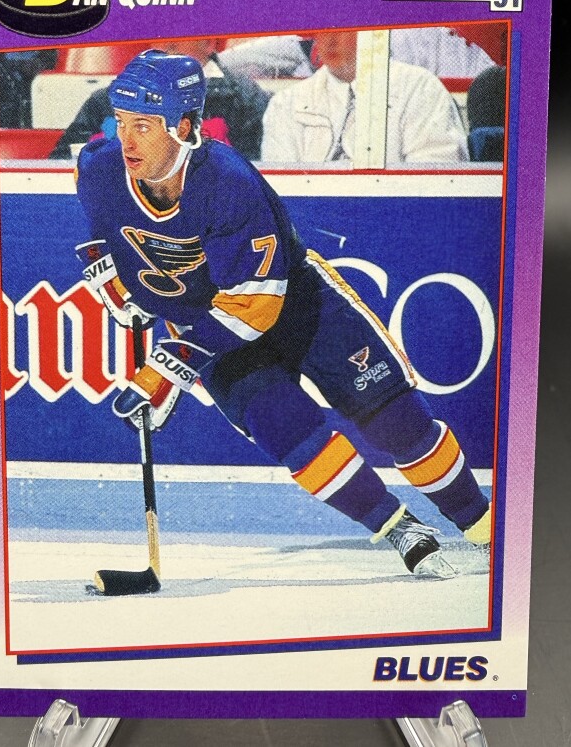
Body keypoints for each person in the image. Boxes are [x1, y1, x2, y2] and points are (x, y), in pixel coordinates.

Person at [75, 50, 492, 582]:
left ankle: (482, 524)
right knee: (288, 431)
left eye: (143, 126)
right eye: (121, 121)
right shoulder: (100, 167)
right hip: (208, 330)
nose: (126, 141)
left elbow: (254, 305)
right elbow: (102, 233)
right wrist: (117, 284)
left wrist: (165, 368)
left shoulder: (227, 180)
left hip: (296, 305)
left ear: (183, 125)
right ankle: (398, 527)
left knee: (396, 420)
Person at [261, 31, 469, 166]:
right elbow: (279, 193)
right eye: (323, 30)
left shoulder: (420, 88)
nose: (330, 40)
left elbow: (434, 184)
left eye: (342, 29)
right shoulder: (285, 103)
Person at [51, 38, 270, 161]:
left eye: (174, 41)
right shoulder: (106, 100)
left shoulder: (244, 100)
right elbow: (61, 163)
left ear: (209, 42)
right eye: (158, 35)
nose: (163, 46)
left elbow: (255, 174)